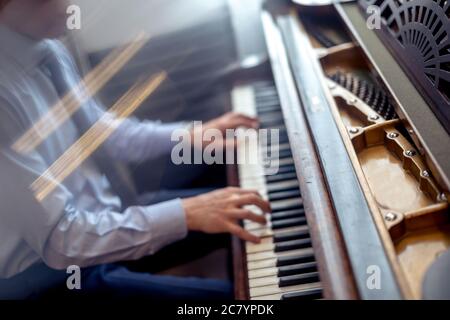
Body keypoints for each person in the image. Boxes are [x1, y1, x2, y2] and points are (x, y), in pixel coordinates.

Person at [0, 0, 270, 299]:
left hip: (106, 215)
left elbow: (101, 133)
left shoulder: (46, 44)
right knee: (238, 302)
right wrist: (186, 214)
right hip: (51, 276)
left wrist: (189, 135)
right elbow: (61, 241)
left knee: (247, 208)